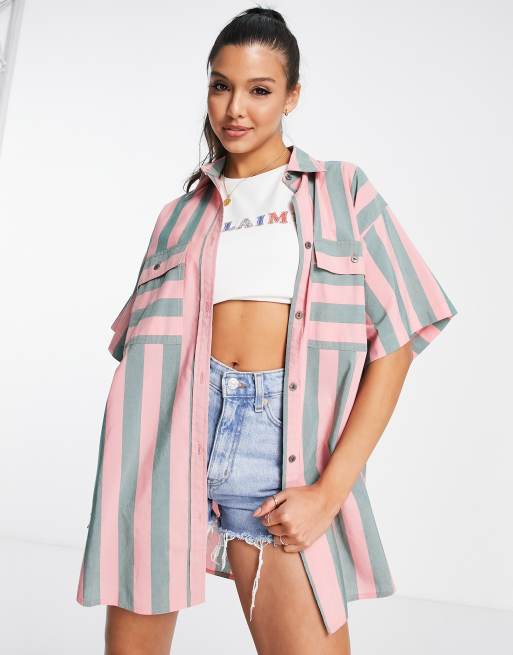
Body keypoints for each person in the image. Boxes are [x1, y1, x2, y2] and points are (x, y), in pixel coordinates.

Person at [75, 6, 458, 655]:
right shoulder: (178, 216)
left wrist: (328, 492)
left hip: (278, 454)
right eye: (220, 86)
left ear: (291, 96)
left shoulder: (342, 191)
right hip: (167, 449)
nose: (235, 109)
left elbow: (395, 343)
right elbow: (137, 356)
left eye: (259, 89)